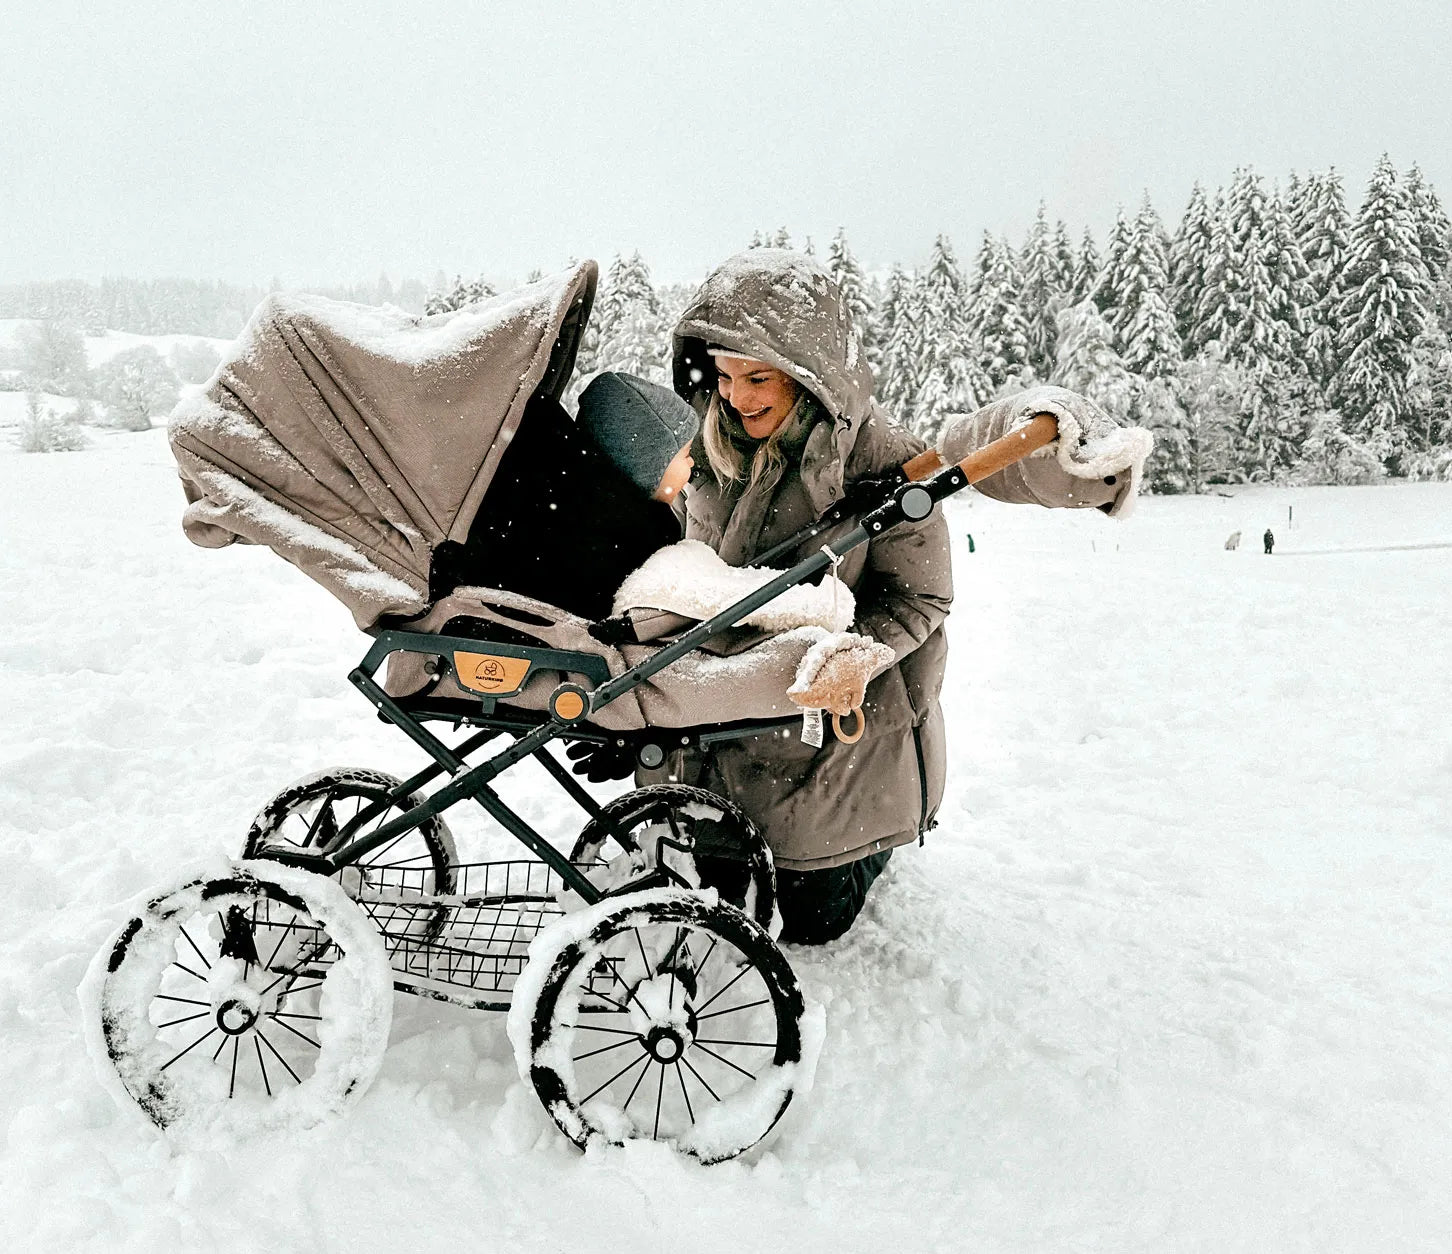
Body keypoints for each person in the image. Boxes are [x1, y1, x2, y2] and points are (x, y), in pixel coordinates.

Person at [651, 249, 1144, 945]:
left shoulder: (885, 463)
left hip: (843, 726)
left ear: (807, 375)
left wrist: (860, 654)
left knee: (809, 922)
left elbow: (921, 599)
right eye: (726, 376)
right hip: (736, 706)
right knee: (714, 887)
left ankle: (876, 838)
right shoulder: (710, 455)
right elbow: (687, 571)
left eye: (758, 377)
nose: (738, 396)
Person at [434, 371, 696, 621]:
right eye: (685, 455)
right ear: (647, 463)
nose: (692, 464)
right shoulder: (624, 535)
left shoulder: (560, 494)